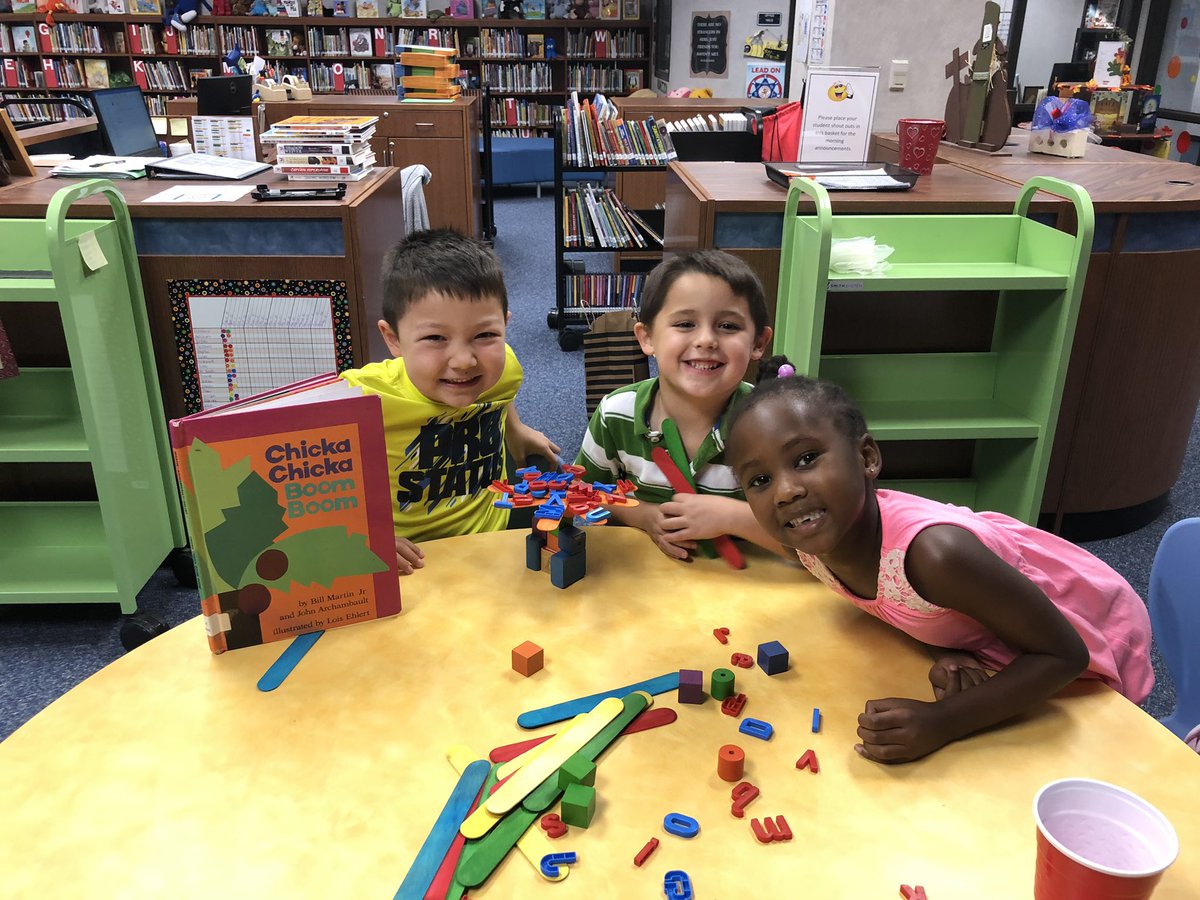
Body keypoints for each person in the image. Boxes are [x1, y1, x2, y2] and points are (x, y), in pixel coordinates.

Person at [724, 357, 1155, 763]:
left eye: (806, 459)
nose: (785, 491)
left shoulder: (936, 555)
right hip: (998, 629)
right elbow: (901, 602)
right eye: (760, 480)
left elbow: (1064, 656)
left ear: (867, 457)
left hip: (1085, 635)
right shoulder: (810, 542)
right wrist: (941, 646)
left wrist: (942, 722)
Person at [341, 229, 559, 574]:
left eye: (485, 335)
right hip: (408, 564)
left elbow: (503, 389)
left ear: (505, 326)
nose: (464, 361)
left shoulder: (502, 367)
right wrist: (355, 540)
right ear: (393, 339)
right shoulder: (358, 397)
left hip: (494, 542)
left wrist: (515, 428)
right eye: (435, 338)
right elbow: (289, 479)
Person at [575, 250, 787, 561]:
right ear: (647, 337)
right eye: (685, 323)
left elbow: (816, 543)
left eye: (728, 326)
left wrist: (732, 517)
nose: (706, 340)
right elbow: (587, 494)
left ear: (758, 343)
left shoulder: (776, 425)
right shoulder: (614, 413)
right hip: (645, 587)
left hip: (747, 592)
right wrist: (645, 517)